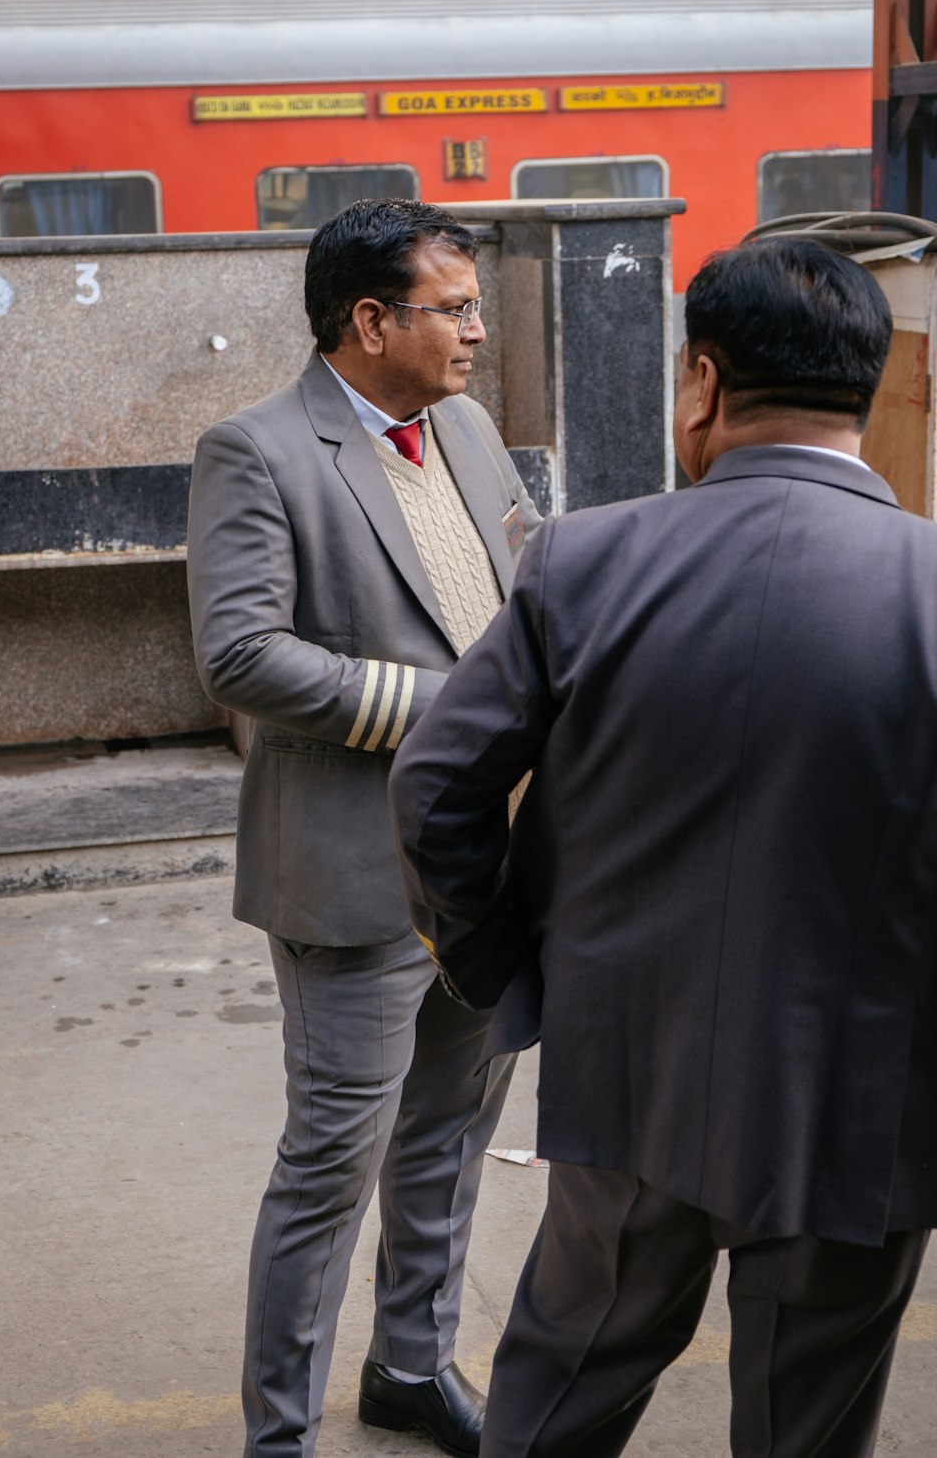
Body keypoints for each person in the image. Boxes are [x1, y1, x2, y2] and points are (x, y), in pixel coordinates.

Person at [388, 236, 937, 1458]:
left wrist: (502, 969)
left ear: (700, 381)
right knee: (808, 1424)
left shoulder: (583, 560)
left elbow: (435, 789)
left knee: (561, 1394)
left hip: (629, 1072)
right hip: (863, 1105)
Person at [186, 197, 542, 1458]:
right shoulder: (258, 450)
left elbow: (522, 581)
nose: (476, 332)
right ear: (368, 318)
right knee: (330, 1168)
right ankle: (275, 1433)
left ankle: (408, 1366)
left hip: (486, 869)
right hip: (353, 876)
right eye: (452, 308)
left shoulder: (468, 430)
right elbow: (238, 654)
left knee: (450, 1137)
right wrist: (453, 711)